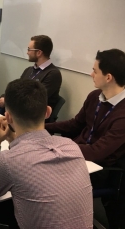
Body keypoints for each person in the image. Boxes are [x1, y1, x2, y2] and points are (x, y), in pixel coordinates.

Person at [0, 79, 93, 228]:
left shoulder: (8, 161)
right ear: (48, 112)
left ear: (8, 117)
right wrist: (15, 141)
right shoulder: (72, 147)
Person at [45, 49, 125, 228]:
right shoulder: (95, 96)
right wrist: (40, 127)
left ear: (108, 77)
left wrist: (57, 145)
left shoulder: (123, 114)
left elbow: (97, 152)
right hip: (76, 155)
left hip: (99, 169)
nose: (91, 74)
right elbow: (74, 124)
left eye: (95, 70)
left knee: (42, 180)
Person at [0, 35, 62, 116]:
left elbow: (34, 100)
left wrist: (7, 102)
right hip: (17, 110)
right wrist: (5, 97)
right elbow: (16, 89)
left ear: (39, 52)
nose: (27, 52)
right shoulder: (29, 70)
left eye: (29, 49)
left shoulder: (53, 74)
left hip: (32, 117)